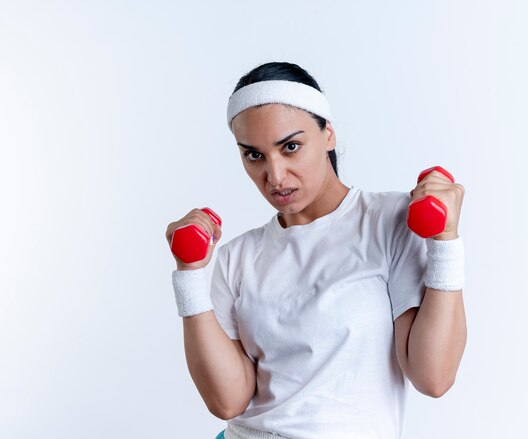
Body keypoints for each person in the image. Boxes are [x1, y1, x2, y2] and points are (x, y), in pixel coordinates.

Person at [165, 61, 467, 439]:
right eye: (253, 155)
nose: (274, 176)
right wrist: (189, 275)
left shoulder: (388, 222)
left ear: (328, 134)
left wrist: (445, 243)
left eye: (290, 147)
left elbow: (433, 376)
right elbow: (228, 402)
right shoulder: (234, 258)